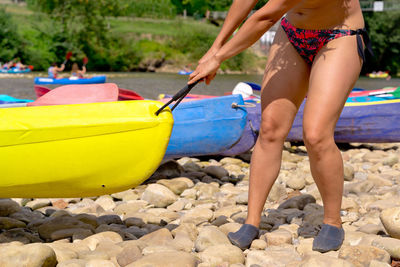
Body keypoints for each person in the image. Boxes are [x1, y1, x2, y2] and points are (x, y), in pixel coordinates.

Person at [188, 0, 372, 253]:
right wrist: (215, 47)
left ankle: (332, 221)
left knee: (316, 134)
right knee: (271, 128)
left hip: (339, 36)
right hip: (292, 33)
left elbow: (265, 18)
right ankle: (252, 222)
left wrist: (219, 58)